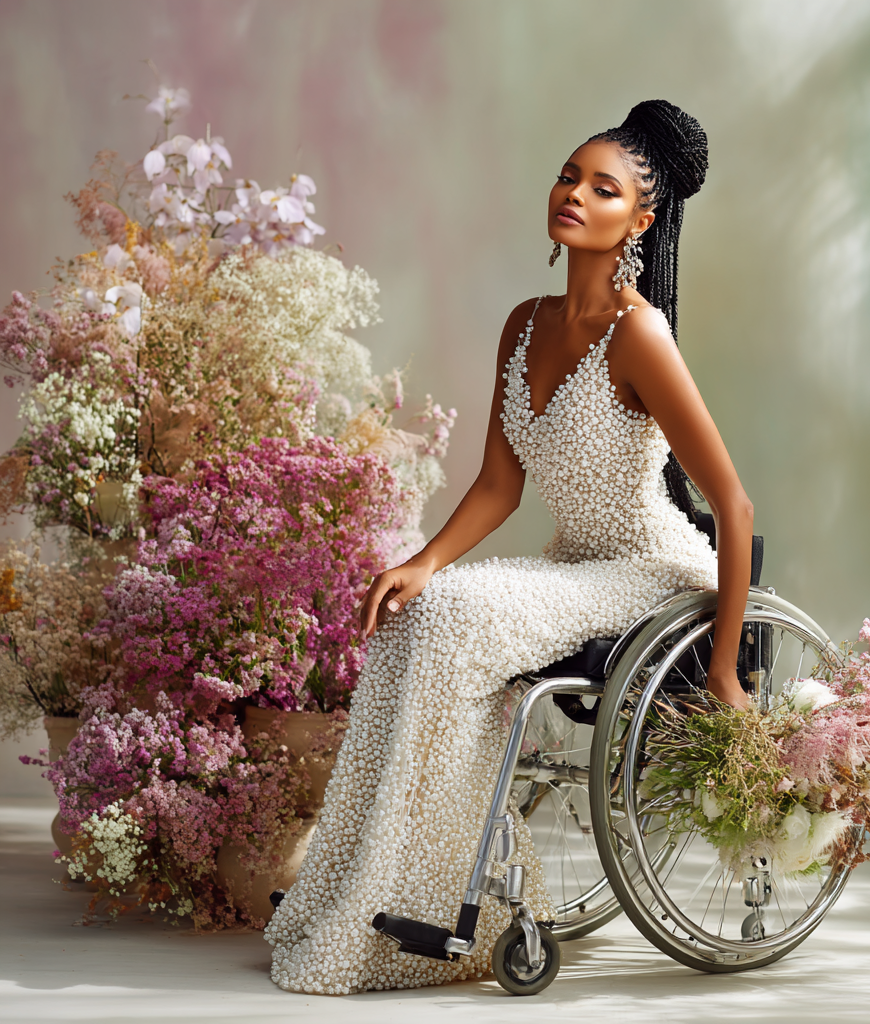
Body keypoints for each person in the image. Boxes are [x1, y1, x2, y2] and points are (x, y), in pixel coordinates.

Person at [265, 99, 754, 995]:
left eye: (602, 188)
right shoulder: (525, 322)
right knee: (417, 612)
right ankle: (360, 890)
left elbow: (733, 503)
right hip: (576, 564)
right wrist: (420, 561)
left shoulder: (638, 333)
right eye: (570, 174)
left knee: (454, 621)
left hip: (651, 571)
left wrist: (723, 672)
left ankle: (450, 907)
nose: (575, 193)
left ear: (639, 221)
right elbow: (500, 483)